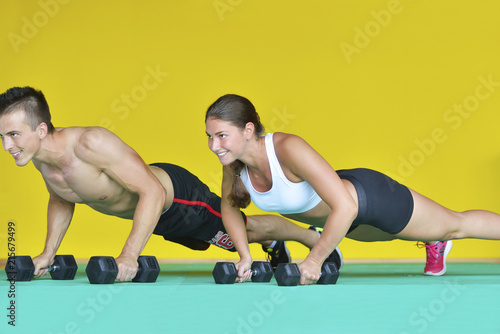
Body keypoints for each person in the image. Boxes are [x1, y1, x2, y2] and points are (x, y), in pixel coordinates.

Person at [0, 86, 342, 282]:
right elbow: (62, 197)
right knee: (224, 239)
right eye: (2, 136)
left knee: (240, 229)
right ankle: (280, 245)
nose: (7, 145)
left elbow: (152, 190)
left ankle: (310, 236)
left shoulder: (90, 143)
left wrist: (129, 256)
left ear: (41, 130)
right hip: (154, 216)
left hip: (177, 199)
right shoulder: (41, 158)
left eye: (13, 135)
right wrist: (48, 253)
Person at [204, 94, 500, 285]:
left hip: (368, 200)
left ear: (248, 129)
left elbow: (345, 206)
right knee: (402, 234)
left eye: (221, 136)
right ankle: (434, 239)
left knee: (454, 226)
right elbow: (229, 208)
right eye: (209, 137)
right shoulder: (233, 163)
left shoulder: (287, 148)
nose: (214, 146)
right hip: (343, 221)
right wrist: (243, 256)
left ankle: (438, 238)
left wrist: (315, 260)